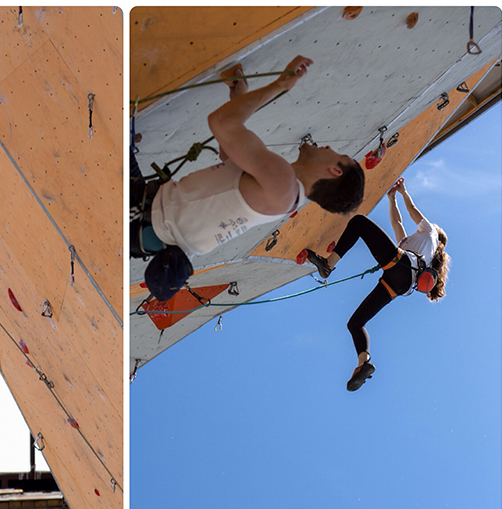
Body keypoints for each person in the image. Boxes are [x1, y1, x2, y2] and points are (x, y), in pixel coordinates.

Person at [131, 55, 365, 300]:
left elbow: (220, 123)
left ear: (335, 171)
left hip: (141, 216)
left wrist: (280, 86)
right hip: (147, 221)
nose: (328, 147)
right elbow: (229, 153)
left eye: (338, 154)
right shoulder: (284, 193)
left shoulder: (283, 183)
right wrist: (238, 96)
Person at [304, 177, 450, 391]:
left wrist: (403, 191)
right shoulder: (415, 246)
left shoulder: (430, 234)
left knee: (359, 223)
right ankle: (363, 364)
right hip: (399, 285)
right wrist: (391, 198)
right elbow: (397, 224)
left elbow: (412, 210)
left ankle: (328, 265)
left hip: (401, 267)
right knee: (355, 323)